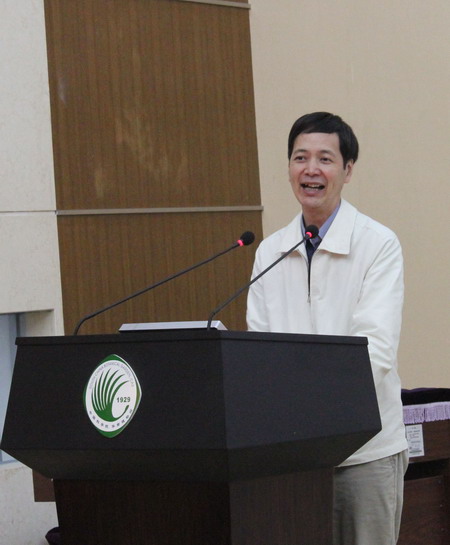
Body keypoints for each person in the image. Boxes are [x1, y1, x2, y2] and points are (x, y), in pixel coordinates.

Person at [246, 112, 409, 545]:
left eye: (325, 159)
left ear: (347, 170)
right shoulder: (269, 252)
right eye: (300, 158)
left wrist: (308, 408)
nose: (311, 170)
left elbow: (374, 352)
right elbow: (259, 352)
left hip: (364, 452)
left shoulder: (377, 244)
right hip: (292, 457)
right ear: (289, 168)